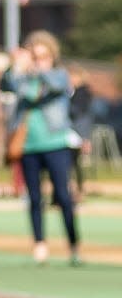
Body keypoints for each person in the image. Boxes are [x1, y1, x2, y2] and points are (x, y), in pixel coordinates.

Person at [1, 30, 80, 264]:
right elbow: (7, 84)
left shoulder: (58, 75)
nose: (38, 61)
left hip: (55, 143)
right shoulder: (24, 79)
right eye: (35, 57)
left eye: (42, 56)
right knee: (34, 198)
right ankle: (39, 243)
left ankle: (73, 243)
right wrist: (16, 65)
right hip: (29, 145)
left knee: (63, 196)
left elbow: (56, 86)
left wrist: (37, 69)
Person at [67, 65, 95, 203]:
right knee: (69, 163)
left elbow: (81, 115)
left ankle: (78, 191)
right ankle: (69, 191)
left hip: (77, 133)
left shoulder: (83, 93)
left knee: (75, 163)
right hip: (69, 131)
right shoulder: (70, 92)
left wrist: (85, 138)